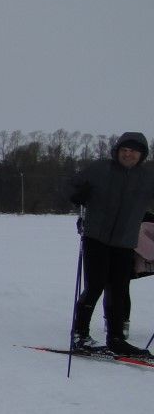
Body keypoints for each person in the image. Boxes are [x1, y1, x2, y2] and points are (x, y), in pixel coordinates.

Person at [69, 132, 154, 356]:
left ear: (141, 155)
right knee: (95, 285)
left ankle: (116, 339)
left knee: (119, 289)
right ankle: (80, 335)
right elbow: (71, 185)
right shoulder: (100, 169)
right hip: (96, 236)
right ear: (117, 151)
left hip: (125, 242)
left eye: (134, 151)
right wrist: (77, 194)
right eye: (124, 150)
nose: (128, 154)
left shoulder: (147, 178)